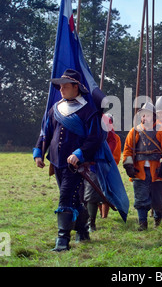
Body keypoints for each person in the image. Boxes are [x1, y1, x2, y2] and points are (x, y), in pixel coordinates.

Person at [33, 69, 104, 252]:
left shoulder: (89, 111)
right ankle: (83, 230)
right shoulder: (55, 108)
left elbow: (95, 138)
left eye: (65, 86)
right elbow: (45, 132)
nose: (61, 89)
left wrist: (80, 153)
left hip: (75, 166)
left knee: (65, 198)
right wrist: (38, 152)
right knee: (74, 201)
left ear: (76, 87)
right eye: (60, 86)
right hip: (56, 162)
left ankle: (62, 240)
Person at [123, 102, 162, 231]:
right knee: (141, 198)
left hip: (157, 170)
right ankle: (142, 223)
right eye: (143, 115)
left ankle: (157, 220)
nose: (145, 117)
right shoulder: (134, 131)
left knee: (159, 200)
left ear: (153, 116)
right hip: (139, 170)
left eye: (147, 115)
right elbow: (128, 150)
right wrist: (129, 165)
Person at [83, 113, 119, 231]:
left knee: (93, 194)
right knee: (83, 194)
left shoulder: (105, 120)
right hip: (80, 161)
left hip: (97, 163)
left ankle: (91, 223)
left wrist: (101, 155)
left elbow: (112, 141)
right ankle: (83, 221)